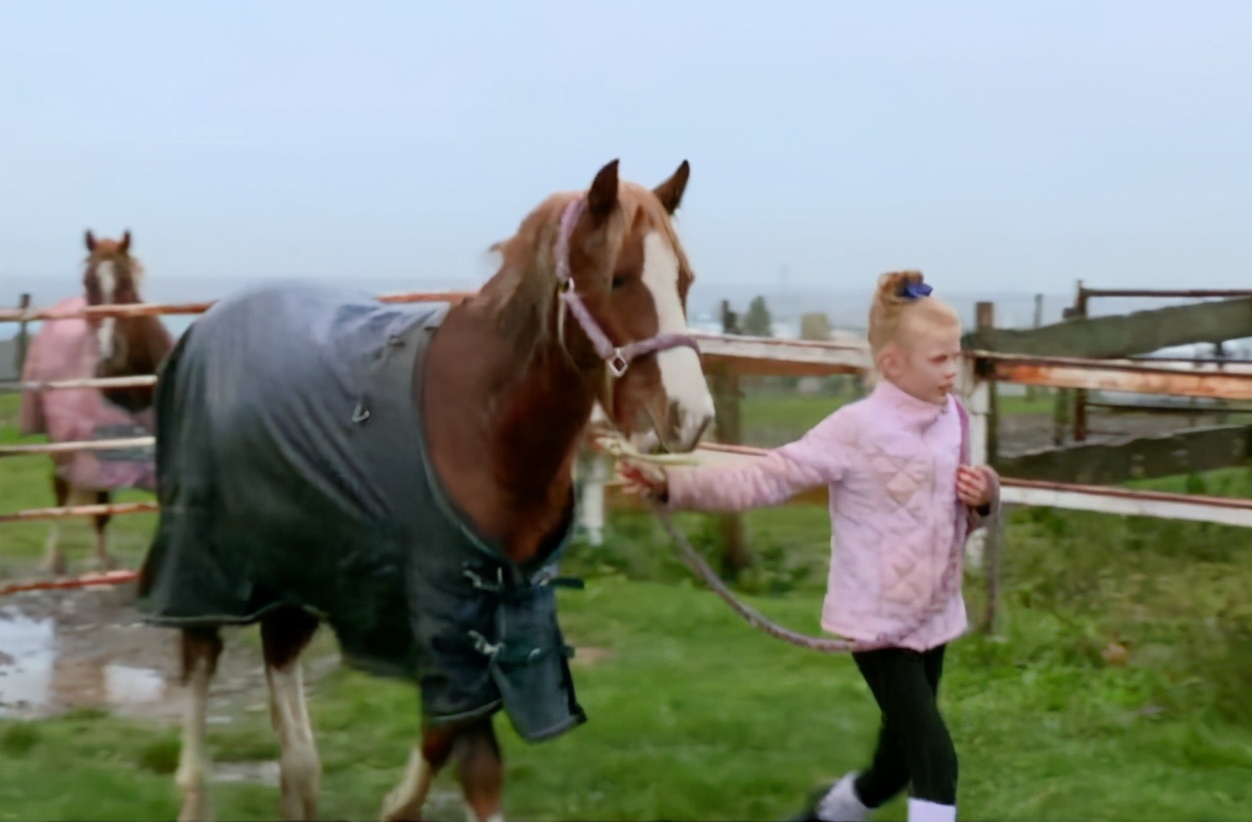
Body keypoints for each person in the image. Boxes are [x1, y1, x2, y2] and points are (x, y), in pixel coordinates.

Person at [618, 271, 1000, 822]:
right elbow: (765, 478)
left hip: (935, 616)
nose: (952, 371)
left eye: (956, 356)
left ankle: (827, 814)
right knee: (935, 759)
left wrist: (985, 497)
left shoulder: (955, 420)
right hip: (879, 623)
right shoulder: (854, 429)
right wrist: (672, 486)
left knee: (896, 765)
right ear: (893, 364)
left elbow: (961, 517)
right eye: (940, 359)